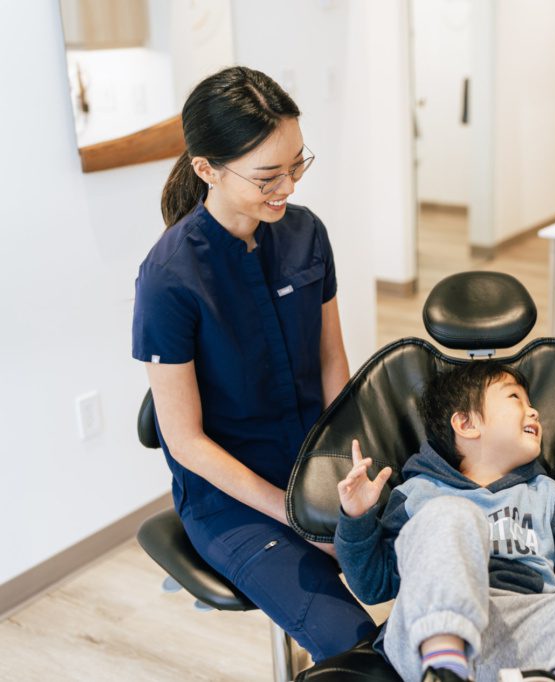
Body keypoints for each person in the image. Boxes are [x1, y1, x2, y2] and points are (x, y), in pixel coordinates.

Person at [131, 66, 374, 661]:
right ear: (207, 169)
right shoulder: (168, 280)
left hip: (316, 465)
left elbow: (332, 361)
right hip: (233, 501)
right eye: (268, 175)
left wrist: (345, 471)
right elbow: (184, 441)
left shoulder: (306, 235)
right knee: (354, 644)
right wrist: (298, 519)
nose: (287, 187)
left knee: (440, 571)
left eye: (296, 165)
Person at [334, 361, 555, 682]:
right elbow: (372, 586)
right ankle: (445, 668)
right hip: (427, 637)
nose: (534, 411)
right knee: (451, 514)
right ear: (467, 424)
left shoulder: (548, 496)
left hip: (526, 631)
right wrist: (357, 516)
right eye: (515, 399)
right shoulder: (418, 494)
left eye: (531, 403)